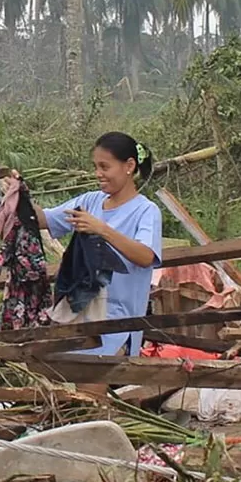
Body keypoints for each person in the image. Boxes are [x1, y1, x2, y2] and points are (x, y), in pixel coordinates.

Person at [30, 132, 163, 356]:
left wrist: (101, 229)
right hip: (81, 316)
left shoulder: (146, 210)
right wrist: (18, 194)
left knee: (89, 386)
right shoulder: (90, 201)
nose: (98, 174)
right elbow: (45, 219)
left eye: (105, 167)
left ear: (129, 166)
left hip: (119, 323)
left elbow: (146, 256)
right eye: (96, 167)